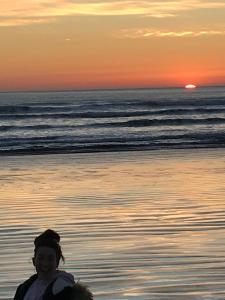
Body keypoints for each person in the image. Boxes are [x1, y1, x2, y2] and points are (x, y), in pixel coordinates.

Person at [13, 229, 93, 300]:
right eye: (41, 258)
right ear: (34, 261)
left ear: (57, 262)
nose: (45, 263)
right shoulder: (23, 289)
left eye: (50, 259)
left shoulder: (66, 290)